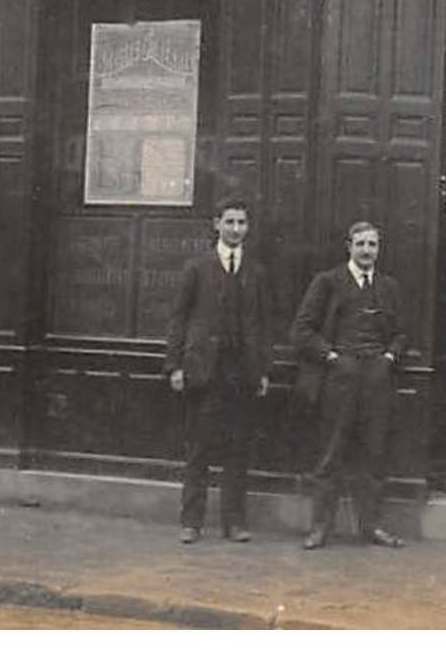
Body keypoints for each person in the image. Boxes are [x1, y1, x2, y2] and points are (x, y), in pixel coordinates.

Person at [291, 221, 408, 550]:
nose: (367, 250)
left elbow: (401, 333)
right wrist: (330, 356)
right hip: (339, 379)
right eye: (361, 244)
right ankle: (319, 528)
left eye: (373, 244)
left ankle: (371, 528)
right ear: (349, 246)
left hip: (376, 379)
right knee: (331, 454)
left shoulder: (389, 287)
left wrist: (388, 358)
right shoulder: (327, 282)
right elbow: (301, 331)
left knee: (373, 455)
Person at [164, 197, 272, 544]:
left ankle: (234, 522)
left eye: (242, 223)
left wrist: (262, 371)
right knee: (199, 449)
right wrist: (175, 365)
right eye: (230, 222)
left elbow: (263, 325)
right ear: (216, 224)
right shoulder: (197, 268)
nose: (236, 229)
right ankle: (191, 522)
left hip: (241, 373)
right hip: (204, 373)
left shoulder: (256, 272)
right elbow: (178, 318)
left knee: (237, 451)